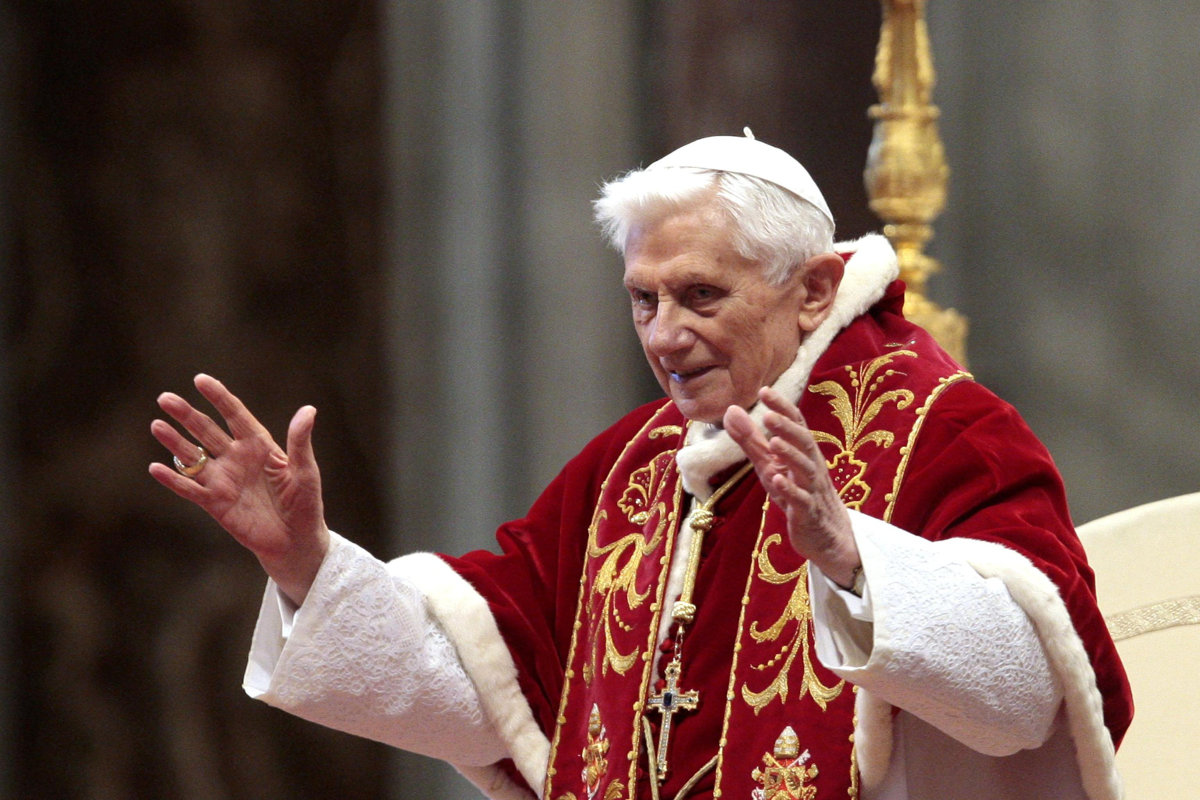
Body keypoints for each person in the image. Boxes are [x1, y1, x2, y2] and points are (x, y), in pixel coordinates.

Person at [150, 132, 1132, 800]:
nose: (664, 336)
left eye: (700, 295)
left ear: (814, 287)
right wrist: (306, 566)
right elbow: (498, 675)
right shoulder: (633, 463)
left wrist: (852, 560)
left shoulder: (944, 431)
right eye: (642, 299)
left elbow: (1038, 689)